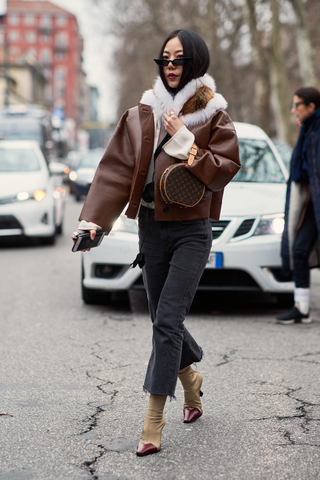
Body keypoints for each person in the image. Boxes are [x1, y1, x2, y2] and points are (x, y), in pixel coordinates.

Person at [72, 29, 240, 456]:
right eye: (164, 58)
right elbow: (115, 172)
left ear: (194, 64)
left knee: (167, 320)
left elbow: (225, 168)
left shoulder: (213, 115)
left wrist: (185, 139)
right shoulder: (140, 114)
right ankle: (191, 379)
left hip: (191, 230)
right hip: (150, 227)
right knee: (163, 321)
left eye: (178, 59)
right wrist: (94, 222)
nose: (169, 65)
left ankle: (152, 422)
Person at [277, 87, 320, 325]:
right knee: (300, 250)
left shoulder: (316, 130)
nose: (294, 110)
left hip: (315, 206)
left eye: (297, 105)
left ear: (311, 107)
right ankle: (301, 308)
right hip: (311, 208)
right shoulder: (307, 130)